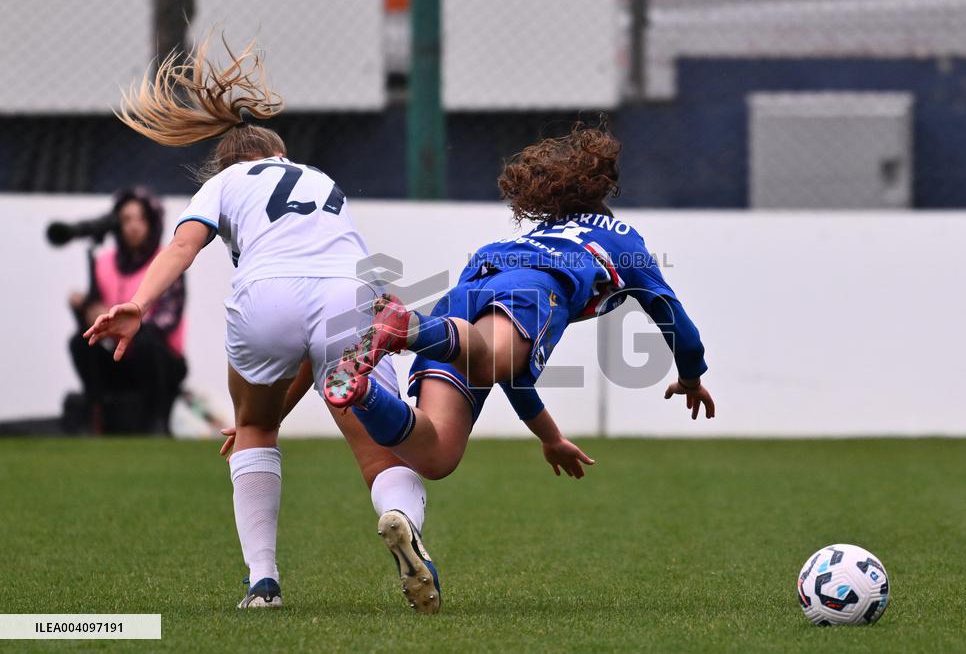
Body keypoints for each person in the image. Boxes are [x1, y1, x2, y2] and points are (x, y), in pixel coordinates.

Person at [84, 38, 440, 613]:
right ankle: (399, 516)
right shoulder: (322, 181)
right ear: (281, 155)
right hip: (350, 295)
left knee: (253, 433)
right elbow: (319, 341)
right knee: (381, 455)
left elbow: (182, 245)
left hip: (265, 293)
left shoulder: (226, 183)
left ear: (229, 162)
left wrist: (138, 304)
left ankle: (263, 583)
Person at [324, 124, 716, 480]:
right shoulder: (623, 237)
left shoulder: (532, 237)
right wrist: (691, 377)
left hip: (465, 299)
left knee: (435, 456)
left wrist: (551, 437)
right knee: (487, 363)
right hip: (530, 292)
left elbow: (510, 373)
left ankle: (362, 390)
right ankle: (407, 328)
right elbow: (672, 315)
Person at [68, 187, 187, 434]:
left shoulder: (166, 261)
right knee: (81, 341)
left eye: (141, 219)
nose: (134, 226)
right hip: (118, 355)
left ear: (152, 223)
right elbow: (96, 310)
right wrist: (86, 309)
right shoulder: (104, 261)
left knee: (146, 342)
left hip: (158, 358)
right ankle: (94, 416)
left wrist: (133, 324)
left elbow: (168, 319)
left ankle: (156, 421)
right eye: (126, 219)